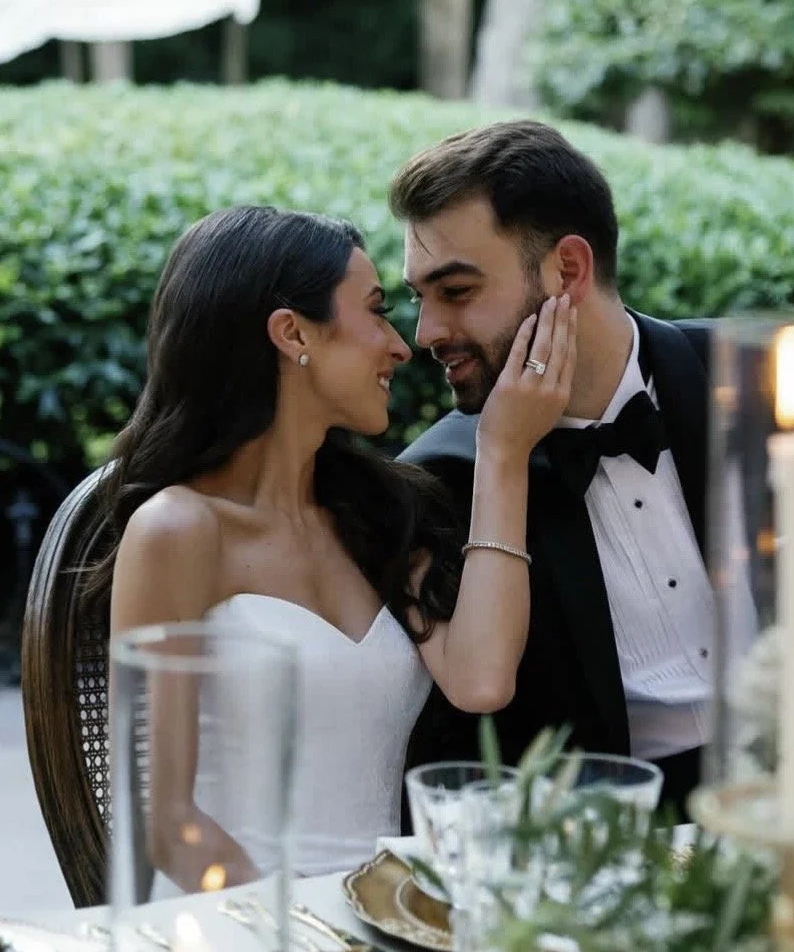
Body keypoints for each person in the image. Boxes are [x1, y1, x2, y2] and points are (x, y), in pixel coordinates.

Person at [392, 119, 794, 820]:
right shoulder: (438, 481)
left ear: (567, 270)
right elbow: (470, 736)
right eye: (417, 297)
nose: (425, 332)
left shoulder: (770, 381)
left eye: (455, 290)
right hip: (613, 836)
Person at [83, 204, 576, 892]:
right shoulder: (179, 530)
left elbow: (481, 676)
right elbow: (163, 819)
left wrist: (503, 452)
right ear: (291, 333)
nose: (401, 346)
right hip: (239, 922)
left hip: (385, 914)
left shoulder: (376, 517)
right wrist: (300, 931)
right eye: (375, 310)